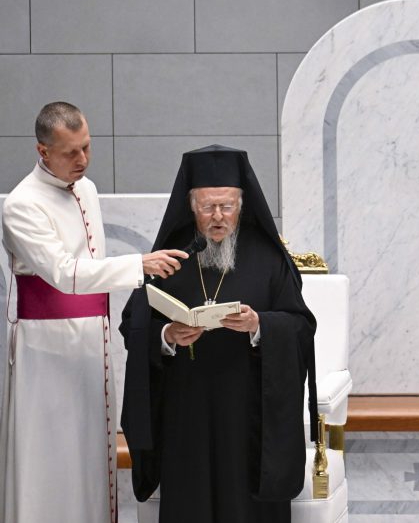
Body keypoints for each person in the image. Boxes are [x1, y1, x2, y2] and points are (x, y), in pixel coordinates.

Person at [0, 101, 185, 523]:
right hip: (45, 350)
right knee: (49, 457)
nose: (82, 160)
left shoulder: (87, 189)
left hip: (91, 343)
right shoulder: (22, 205)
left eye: (87, 147)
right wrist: (139, 264)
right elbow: (64, 274)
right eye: (70, 152)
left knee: (90, 450)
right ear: (42, 151)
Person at [119, 145, 317, 523]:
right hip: (186, 411)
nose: (217, 217)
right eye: (208, 207)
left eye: (226, 206)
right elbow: (134, 323)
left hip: (250, 412)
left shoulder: (270, 258)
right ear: (191, 206)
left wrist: (260, 325)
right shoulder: (168, 258)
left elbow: (301, 324)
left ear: (242, 205)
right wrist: (168, 337)